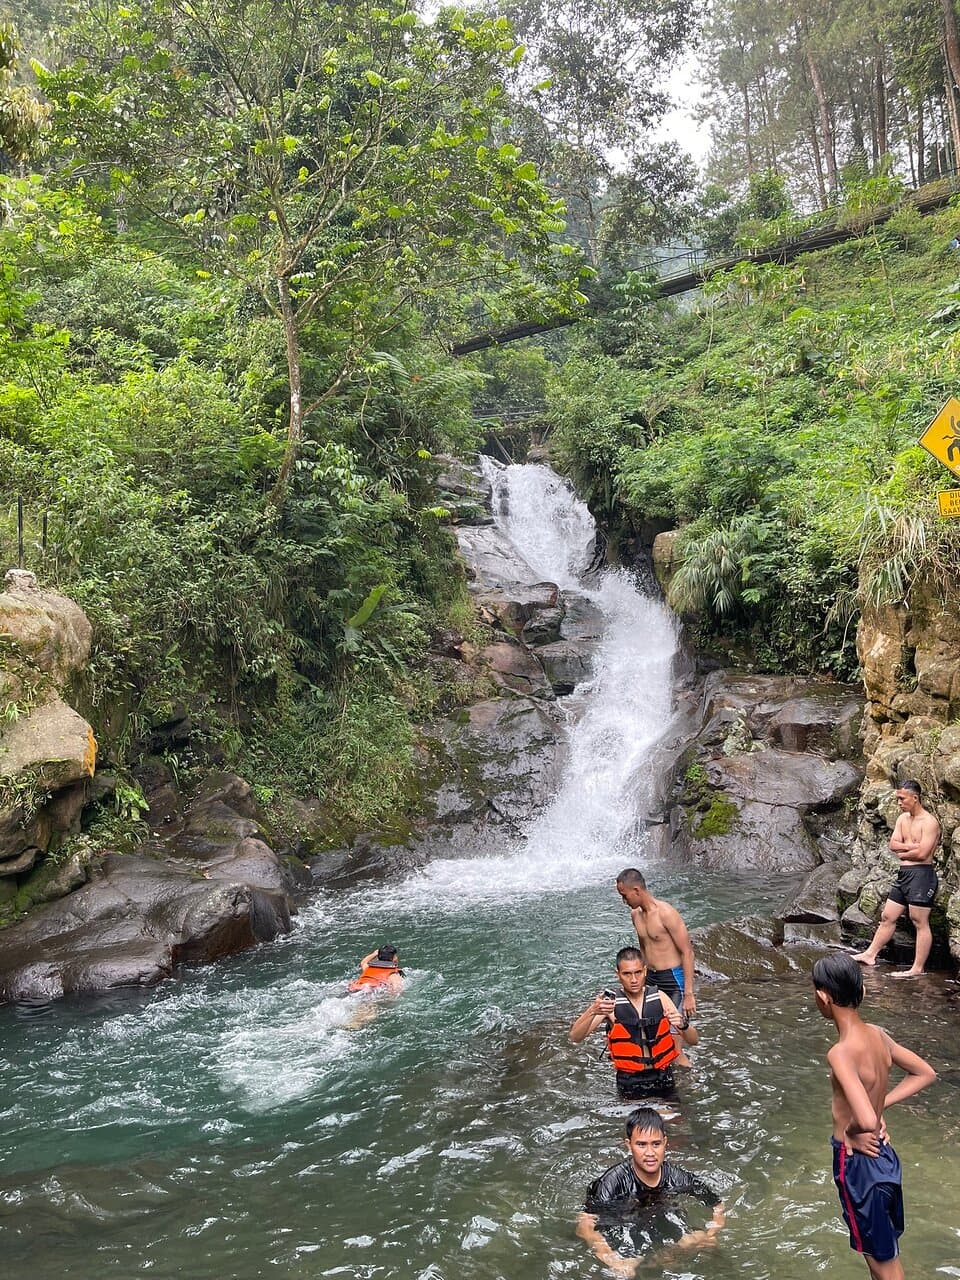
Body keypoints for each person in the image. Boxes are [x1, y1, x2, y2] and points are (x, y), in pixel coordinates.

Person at [812, 953, 936, 1280]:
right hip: (885, 1157)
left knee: (883, 1269)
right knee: (887, 1256)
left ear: (823, 996)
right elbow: (925, 1073)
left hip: (857, 1164)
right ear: (862, 993)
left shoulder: (840, 1053)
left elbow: (865, 1120)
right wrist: (881, 1107)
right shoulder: (879, 1035)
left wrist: (853, 1130)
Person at [576, 1106, 725, 1275]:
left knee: (697, 1240)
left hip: (659, 1216)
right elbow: (584, 1225)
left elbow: (718, 1205)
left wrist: (712, 1233)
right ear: (629, 1145)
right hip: (622, 1222)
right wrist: (613, 1260)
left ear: (665, 1143)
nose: (650, 1153)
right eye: (641, 1144)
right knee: (626, 1272)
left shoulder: (677, 1177)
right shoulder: (612, 1182)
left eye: (656, 1144)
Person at [569, 947, 684, 1101]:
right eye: (627, 974)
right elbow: (575, 1037)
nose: (633, 980)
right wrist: (592, 1011)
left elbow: (690, 1036)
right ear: (618, 974)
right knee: (637, 1125)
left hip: (662, 1076)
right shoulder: (609, 1004)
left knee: (675, 1122)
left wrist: (683, 1024)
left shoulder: (659, 997)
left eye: (637, 973)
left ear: (644, 971)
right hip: (630, 1081)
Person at [852, 781, 941, 978]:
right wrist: (912, 848)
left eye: (902, 798)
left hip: (922, 876)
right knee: (887, 916)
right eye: (897, 798)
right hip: (903, 875)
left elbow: (924, 853)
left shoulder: (929, 822)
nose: (899, 802)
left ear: (915, 798)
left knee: (919, 920)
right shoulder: (902, 819)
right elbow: (893, 845)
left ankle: (917, 969)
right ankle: (870, 954)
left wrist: (907, 849)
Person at [616, 868, 696, 1019]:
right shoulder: (635, 915)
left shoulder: (666, 913)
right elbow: (643, 948)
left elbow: (687, 952)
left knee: (675, 1029)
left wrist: (689, 993)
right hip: (650, 979)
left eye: (625, 896)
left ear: (636, 890)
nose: (624, 901)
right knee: (650, 1029)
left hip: (672, 979)